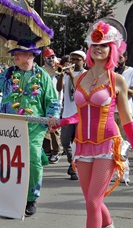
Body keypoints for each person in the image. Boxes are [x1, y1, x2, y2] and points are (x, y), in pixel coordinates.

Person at [50, 19, 133, 228]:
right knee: (91, 201)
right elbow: (79, 114)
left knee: (93, 201)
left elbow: (126, 119)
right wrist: (61, 122)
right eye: (95, 45)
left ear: (112, 48)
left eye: (104, 45)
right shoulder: (80, 79)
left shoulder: (117, 80)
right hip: (83, 146)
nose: (98, 49)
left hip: (107, 144)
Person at [0, 39, 60, 216]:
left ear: (30, 55)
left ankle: (31, 197)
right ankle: (12, 198)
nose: (14, 55)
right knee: (9, 162)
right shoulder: (8, 74)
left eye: (18, 52)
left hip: (34, 127)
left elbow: (53, 101)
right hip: (9, 127)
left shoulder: (43, 76)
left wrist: (53, 117)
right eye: (15, 53)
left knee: (32, 158)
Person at [56, 50, 87, 180]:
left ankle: (74, 166)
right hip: (68, 113)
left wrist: (72, 76)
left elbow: (80, 88)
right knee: (64, 141)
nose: (74, 61)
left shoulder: (86, 74)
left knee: (78, 142)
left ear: (83, 61)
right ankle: (72, 162)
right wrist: (62, 75)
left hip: (81, 114)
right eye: (72, 59)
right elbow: (58, 88)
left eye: (77, 59)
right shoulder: (67, 73)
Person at [42, 48, 63, 164]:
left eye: (52, 56)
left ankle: (56, 151)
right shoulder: (42, 70)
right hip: (45, 101)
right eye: (49, 57)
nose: (51, 59)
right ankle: (47, 150)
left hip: (56, 101)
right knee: (44, 126)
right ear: (45, 58)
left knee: (54, 127)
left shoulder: (58, 68)